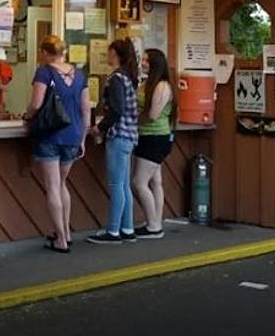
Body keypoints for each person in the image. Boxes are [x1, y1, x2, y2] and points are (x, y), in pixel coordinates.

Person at [24, 35, 89, 252]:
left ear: (45, 52)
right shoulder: (80, 75)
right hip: (72, 135)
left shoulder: (44, 72)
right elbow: (86, 110)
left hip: (50, 135)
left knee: (53, 187)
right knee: (62, 185)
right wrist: (82, 137)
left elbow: (36, 103)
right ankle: (66, 232)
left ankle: (60, 239)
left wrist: (27, 116)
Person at [87, 38, 140, 244]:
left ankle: (113, 231)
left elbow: (116, 109)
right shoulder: (129, 77)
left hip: (118, 135)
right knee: (124, 185)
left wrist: (99, 127)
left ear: (115, 54)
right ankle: (127, 227)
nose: (106, 56)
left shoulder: (116, 78)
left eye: (108, 52)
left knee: (116, 184)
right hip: (130, 135)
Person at [132, 49, 176, 239]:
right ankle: (155, 221)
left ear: (154, 64)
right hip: (148, 136)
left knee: (138, 182)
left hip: (155, 137)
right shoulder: (146, 83)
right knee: (155, 181)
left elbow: (152, 115)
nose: (142, 63)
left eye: (145, 60)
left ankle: (153, 226)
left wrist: (132, 118)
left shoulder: (162, 86)